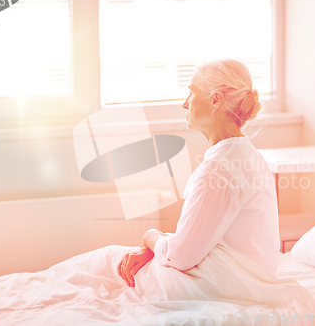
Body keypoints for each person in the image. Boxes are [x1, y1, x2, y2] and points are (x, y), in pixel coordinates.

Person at [118, 58, 280, 288]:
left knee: (108, 265)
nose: (185, 104)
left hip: (228, 286)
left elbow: (181, 257)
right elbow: (197, 241)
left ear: (215, 100)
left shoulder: (219, 169)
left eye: (191, 93)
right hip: (244, 278)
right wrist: (162, 247)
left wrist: (151, 237)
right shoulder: (247, 155)